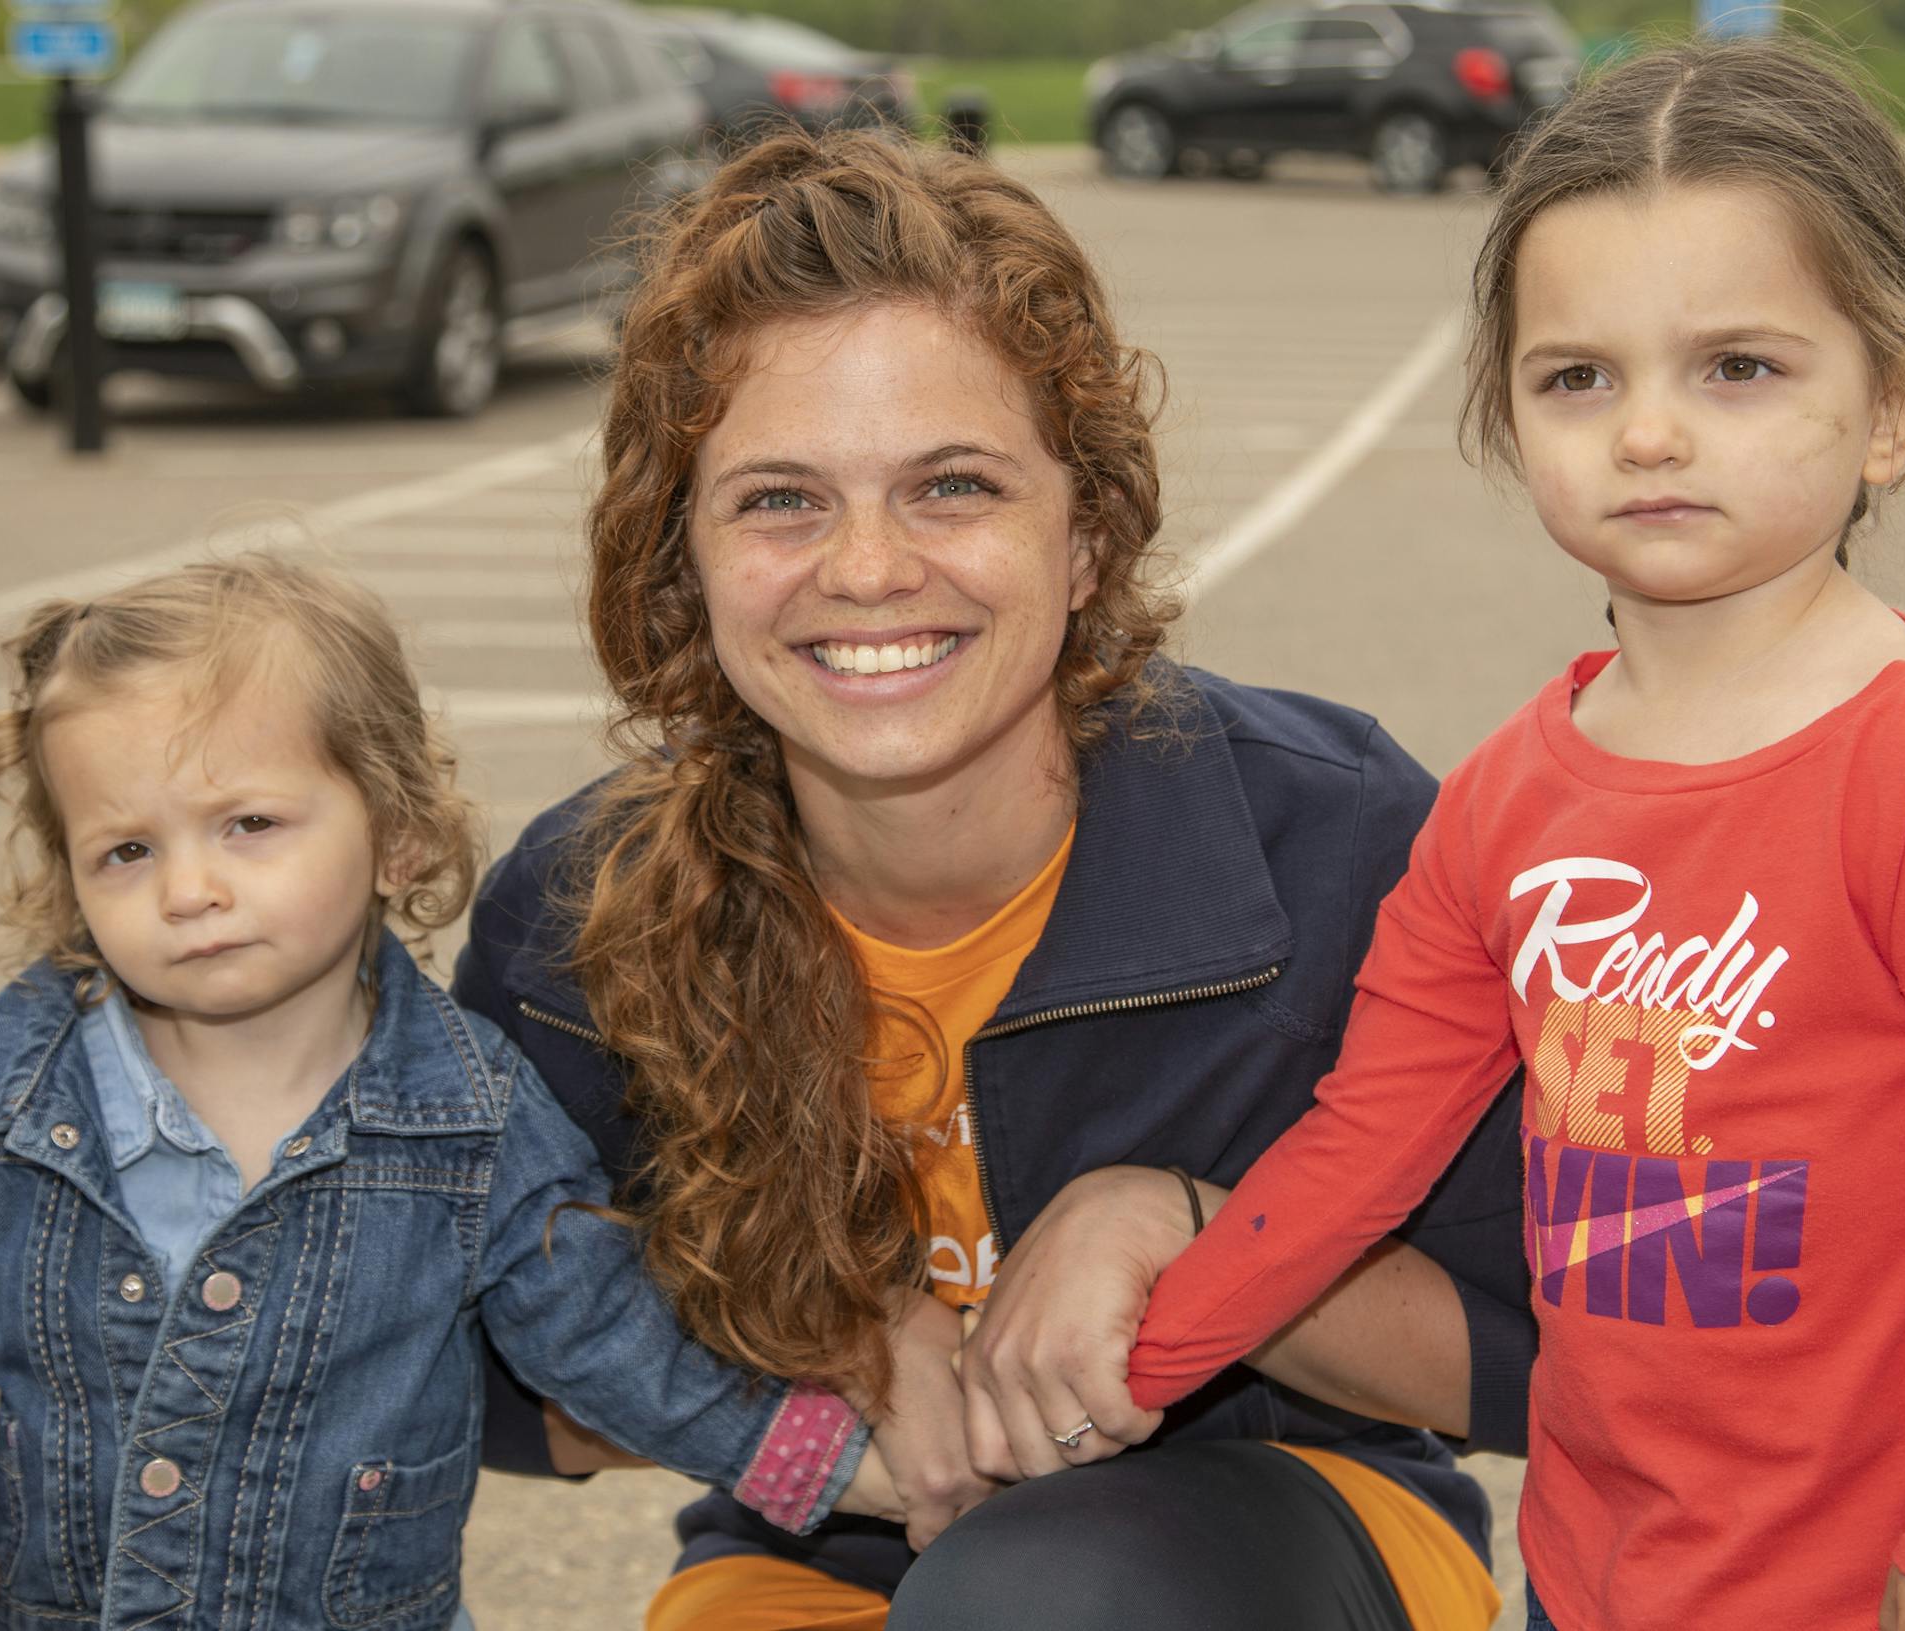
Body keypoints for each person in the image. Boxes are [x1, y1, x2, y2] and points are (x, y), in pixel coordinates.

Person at [989, 36, 1905, 1631]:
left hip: (1887, 1593)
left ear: (1892, 411)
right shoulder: (1507, 801)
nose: (1648, 432)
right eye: (1580, 376)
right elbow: (1360, 1146)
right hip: (1597, 1578)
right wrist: (1127, 1371)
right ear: (1511, 420)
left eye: (1739, 367)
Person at [454, 129, 1535, 1631]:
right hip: (824, 1542)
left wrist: (1200, 1233)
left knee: (1041, 1597)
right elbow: (465, 1378)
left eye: (952, 485)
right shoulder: (581, 912)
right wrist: (804, 1347)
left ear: (1085, 533)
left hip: (1285, 1522)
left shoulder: (1330, 846)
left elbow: (1547, 1357)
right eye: (779, 499)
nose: (871, 566)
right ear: (680, 557)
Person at [0, 556, 894, 1631]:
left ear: (400, 834)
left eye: (248, 823)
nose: (187, 888)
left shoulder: (473, 1121)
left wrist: (867, 1468)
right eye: (125, 849)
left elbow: (616, 1337)